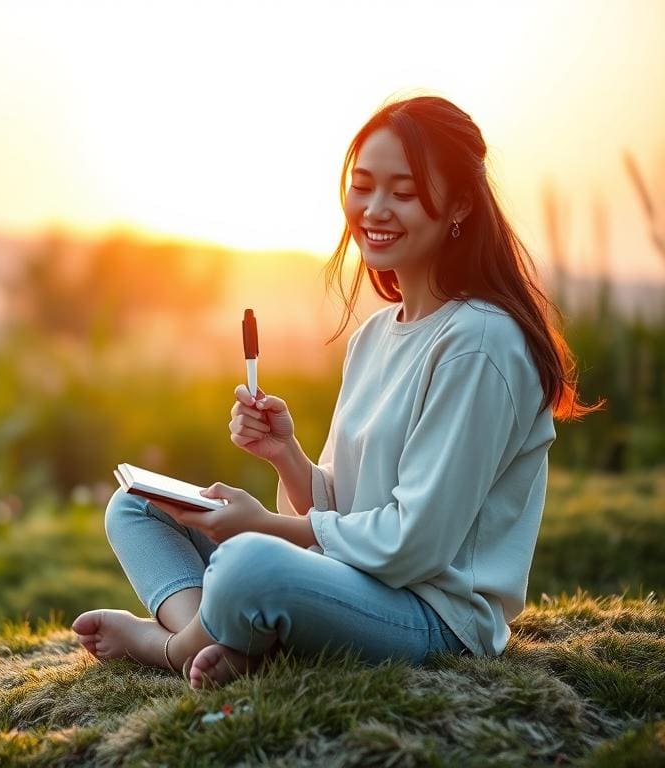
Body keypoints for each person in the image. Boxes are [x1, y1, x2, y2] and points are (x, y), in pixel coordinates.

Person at [71, 94, 603, 689]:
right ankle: (226, 634)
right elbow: (342, 513)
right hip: (357, 583)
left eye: (403, 192)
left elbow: (413, 545)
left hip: (433, 618)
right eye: (363, 186)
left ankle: (170, 644)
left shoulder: (481, 341)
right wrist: (286, 456)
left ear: (457, 205)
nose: (375, 209)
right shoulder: (376, 334)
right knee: (137, 504)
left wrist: (262, 528)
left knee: (248, 562)